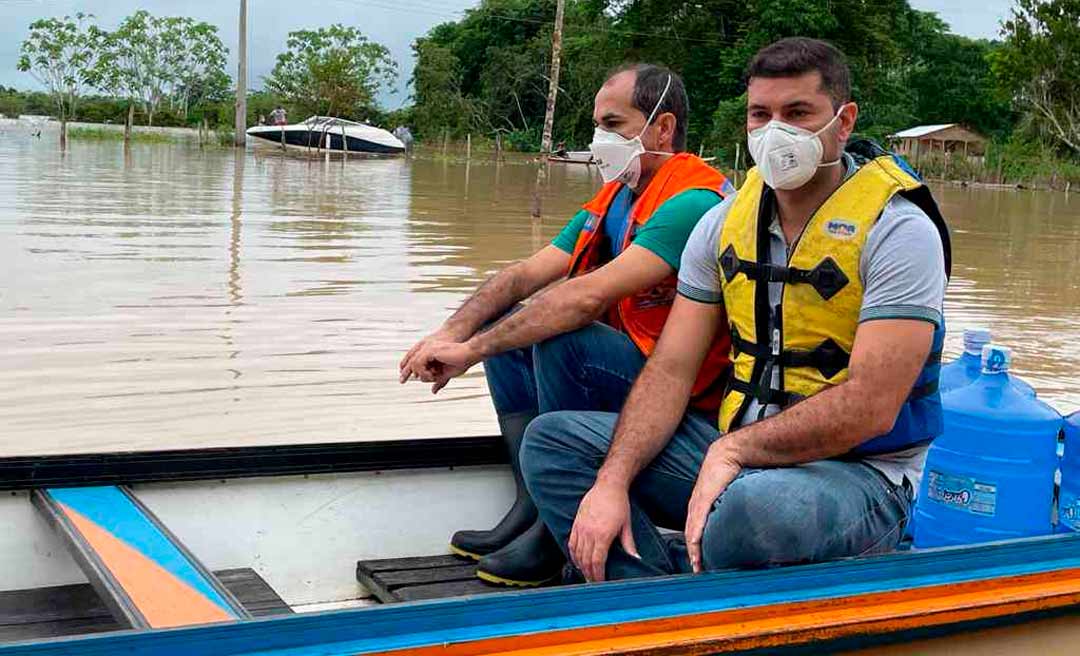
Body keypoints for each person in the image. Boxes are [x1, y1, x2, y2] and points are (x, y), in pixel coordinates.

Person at [521, 37, 951, 582]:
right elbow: (671, 370)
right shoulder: (723, 222)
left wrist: (734, 451)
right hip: (733, 448)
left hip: (858, 474)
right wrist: (612, 481)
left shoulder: (899, 232)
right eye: (760, 114)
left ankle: (674, 582)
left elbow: (870, 406)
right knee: (554, 444)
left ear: (843, 123)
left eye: (797, 114)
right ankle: (654, 599)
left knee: (753, 513)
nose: (776, 131)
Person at [400, 64, 735, 587]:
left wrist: (472, 352)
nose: (599, 140)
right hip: (637, 373)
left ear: (662, 129)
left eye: (613, 124)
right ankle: (531, 506)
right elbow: (524, 275)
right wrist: (452, 334)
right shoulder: (618, 197)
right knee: (514, 328)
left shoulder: (692, 201)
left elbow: (586, 298)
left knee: (562, 336)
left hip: (682, 395)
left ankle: (556, 531)